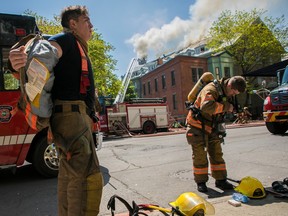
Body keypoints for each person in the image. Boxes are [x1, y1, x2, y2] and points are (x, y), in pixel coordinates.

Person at [9, 5, 103, 215]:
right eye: (87, 21)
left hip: (73, 120)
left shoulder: (77, 47)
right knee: (87, 179)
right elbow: (41, 58)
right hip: (72, 119)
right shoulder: (66, 40)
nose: (92, 26)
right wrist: (16, 63)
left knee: (71, 176)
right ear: (73, 24)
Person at [186, 76, 246, 192]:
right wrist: (227, 107)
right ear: (229, 85)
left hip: (212, 126)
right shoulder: (211, 89)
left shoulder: (224, 91)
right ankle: (201, 182)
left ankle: (221, 180)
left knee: (217, 153)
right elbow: (206, 107)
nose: (233, 95)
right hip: (197, 126)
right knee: (200, 156)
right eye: (233, 92)